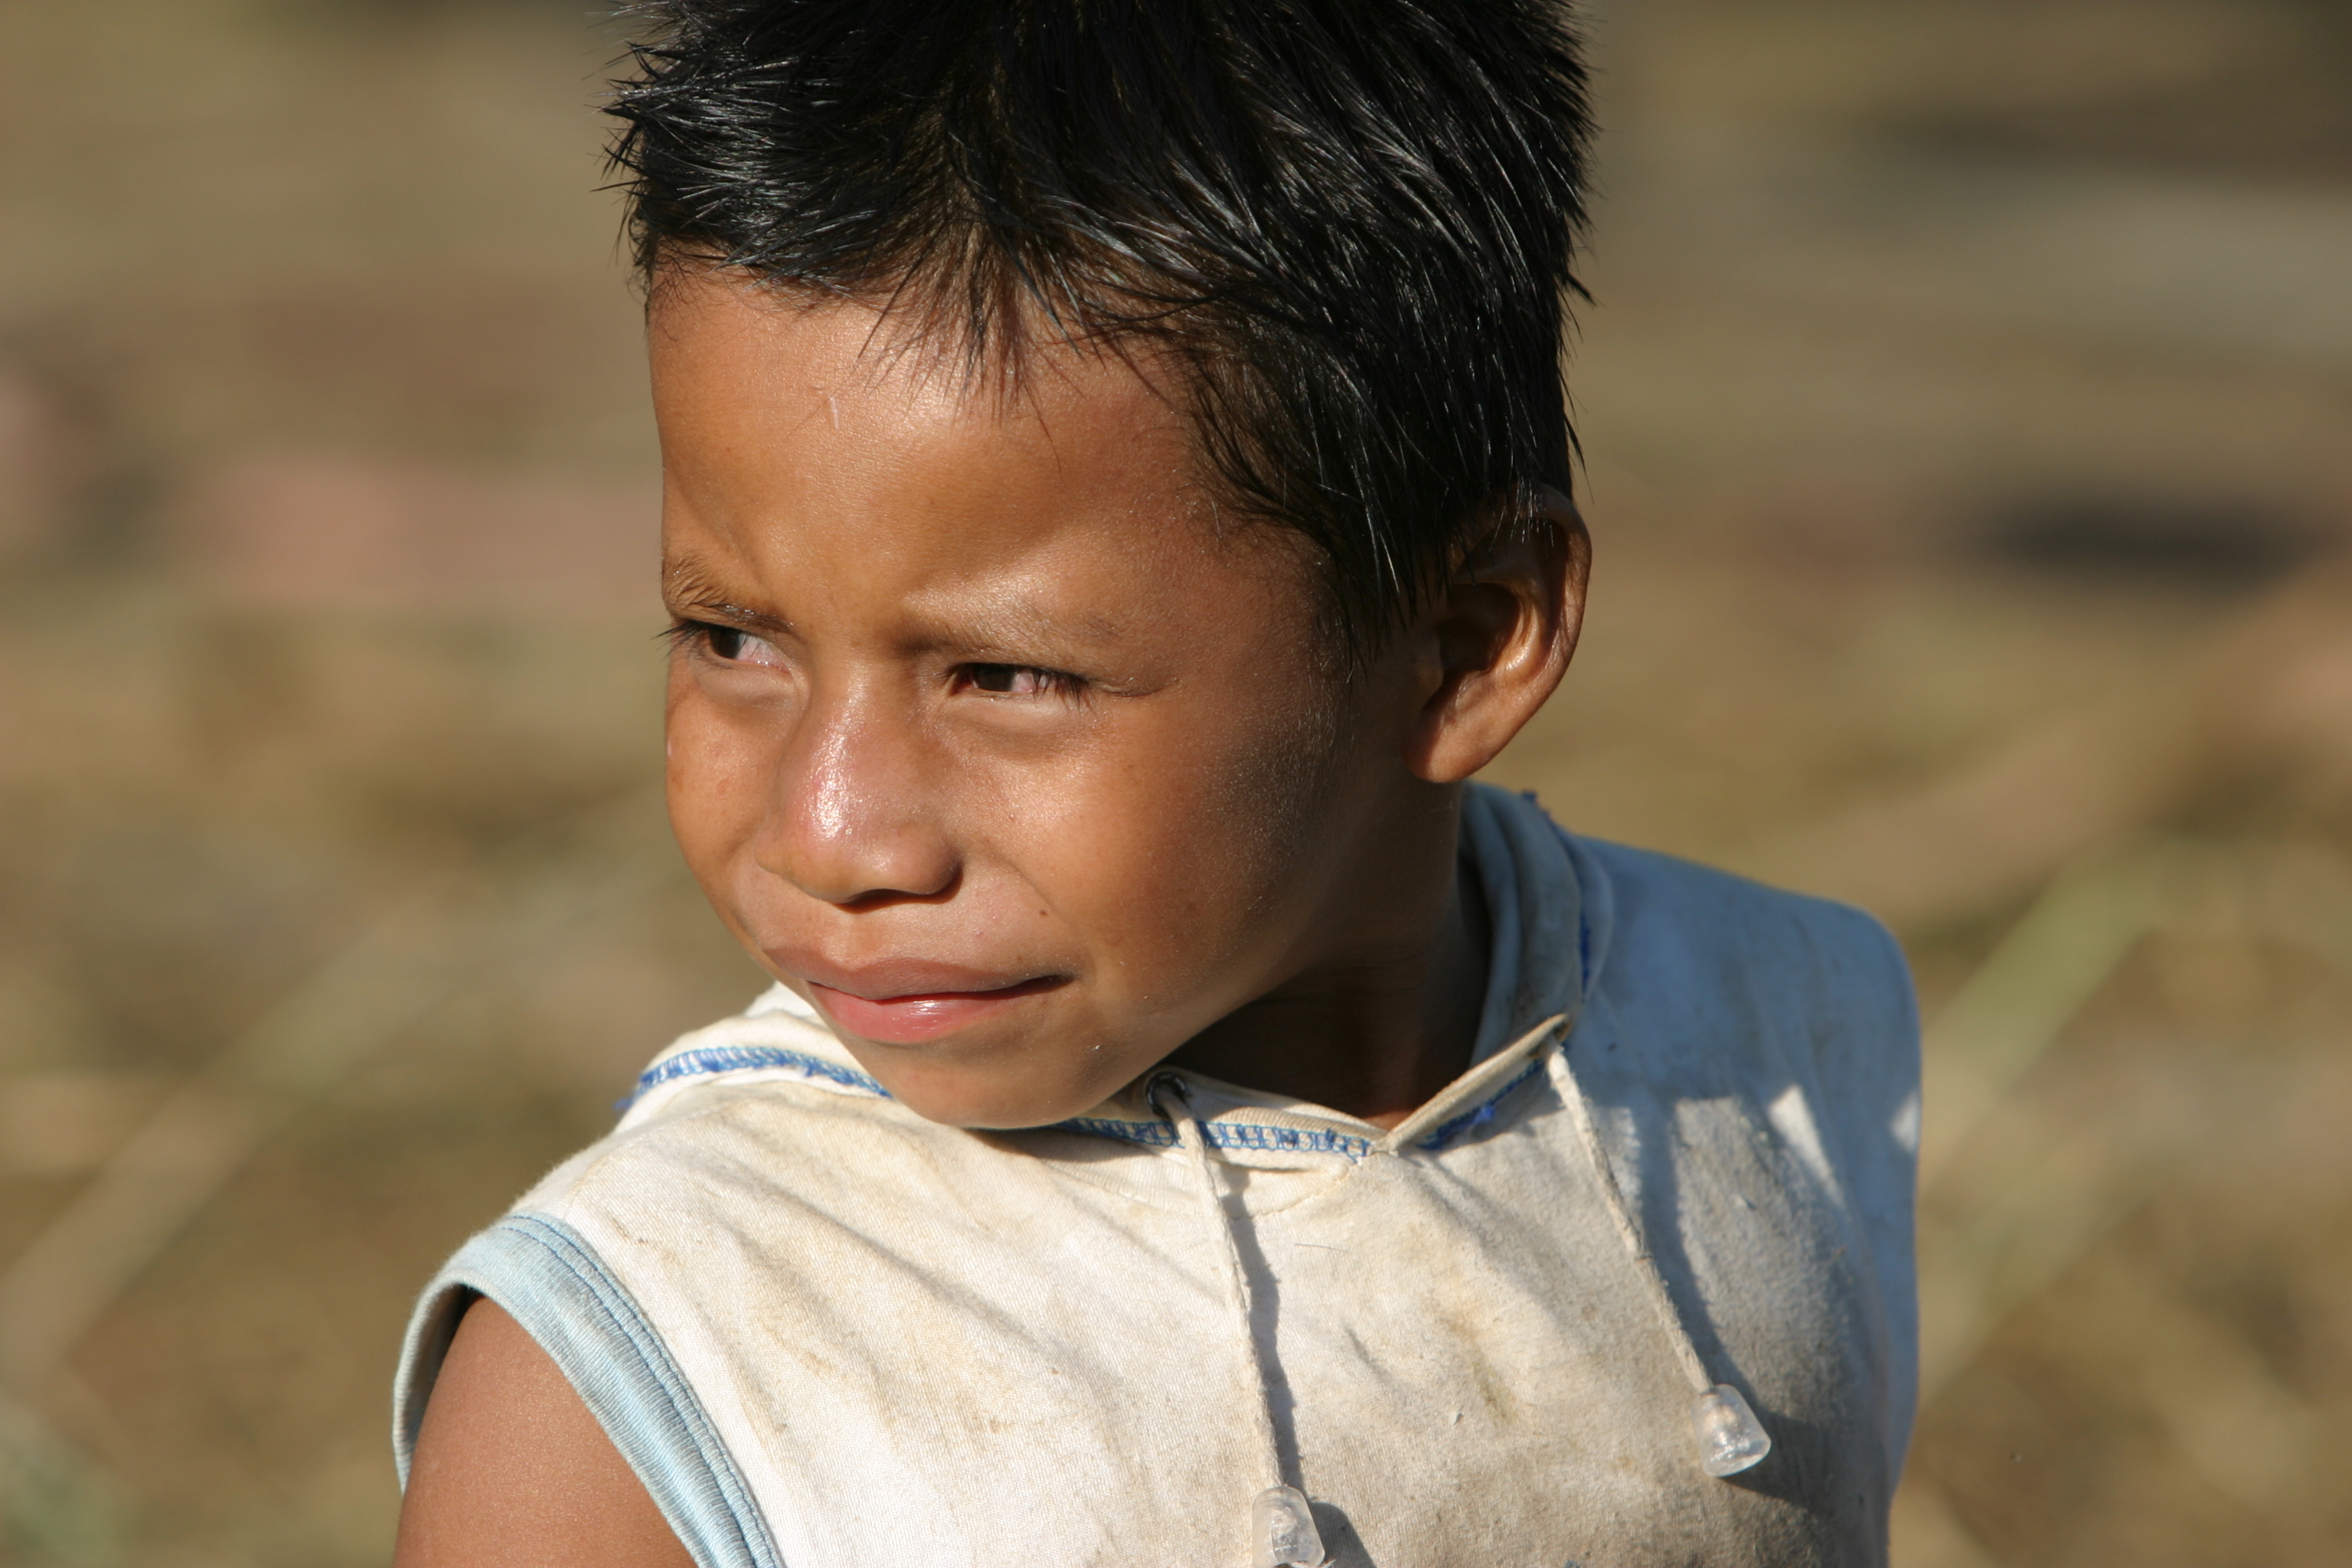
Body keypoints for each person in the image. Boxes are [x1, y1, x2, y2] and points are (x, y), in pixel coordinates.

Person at [387, 0, 1920, 1563]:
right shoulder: (650, 1382)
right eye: (729, 635)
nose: (829, 832)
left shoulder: (1776, 1034)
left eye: (1007, 676)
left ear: (1466, 645)